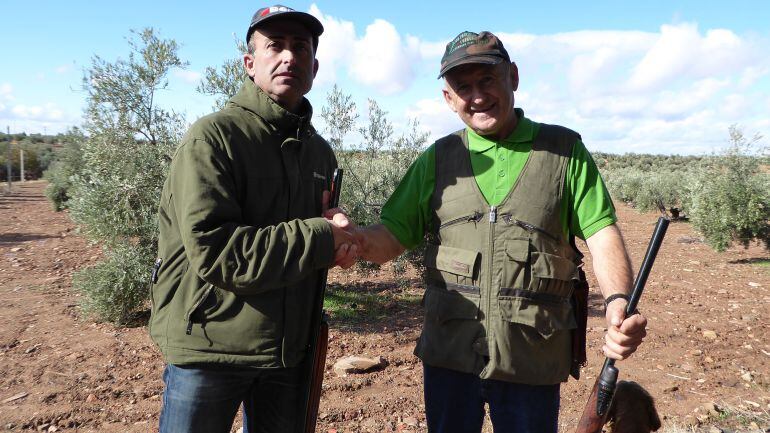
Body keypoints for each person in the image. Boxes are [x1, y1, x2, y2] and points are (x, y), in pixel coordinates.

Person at [356, 31, 647, 433]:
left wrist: (617, 301)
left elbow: (602, 234)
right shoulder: (437, 160)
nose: (477, 96)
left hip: (531, 360)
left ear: (512, 76)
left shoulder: (564, 152)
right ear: (448, 98)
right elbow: (390, 235)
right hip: (450, 360)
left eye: (487, 80)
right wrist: (348, 239)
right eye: (463, 87)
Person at [149, 5, 357, 433]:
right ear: (250, 63)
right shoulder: (213, 138)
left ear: (314, 66)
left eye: (300, 48)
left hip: (288, 353)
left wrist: (337, 240)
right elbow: (218, 251)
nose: (289, 57)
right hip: (210, 348)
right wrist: (323, 236)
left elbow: (314, 243)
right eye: (274, 46)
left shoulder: (320, 153)